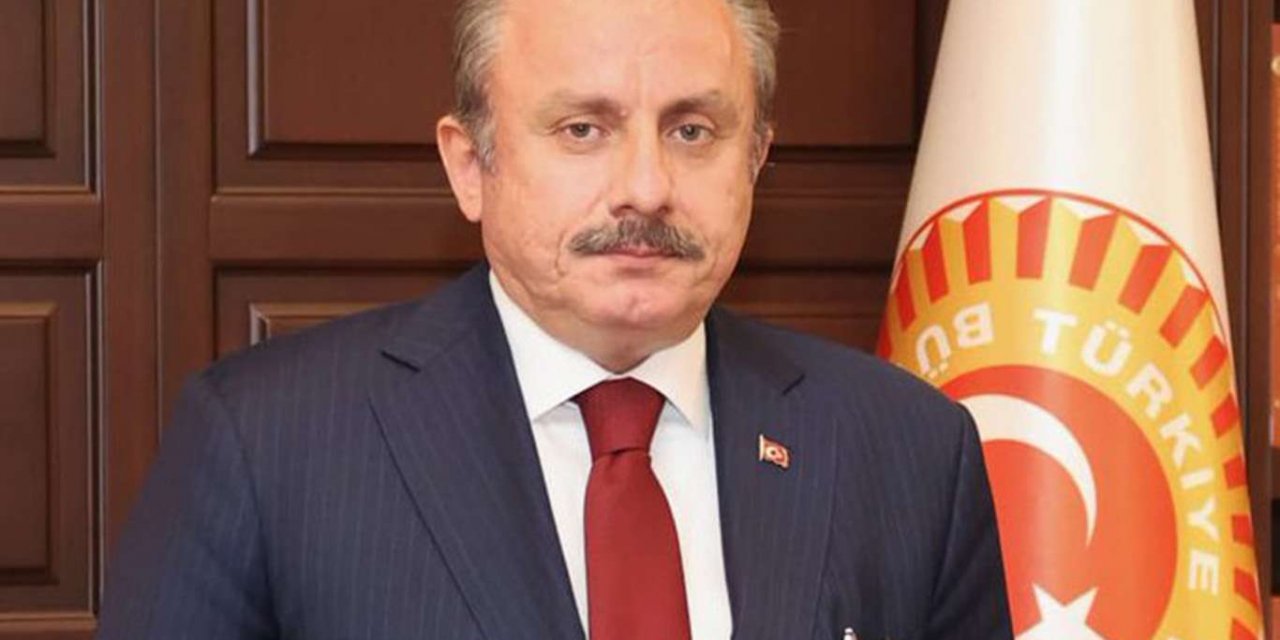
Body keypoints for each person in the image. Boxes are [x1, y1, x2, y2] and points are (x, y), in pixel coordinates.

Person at [97, 0, 1012, 637]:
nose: (645, 187)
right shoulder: (267, 444)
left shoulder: (908, 450)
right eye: (584, 129)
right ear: (470, 166)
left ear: (756, 161)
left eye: (693, 131)